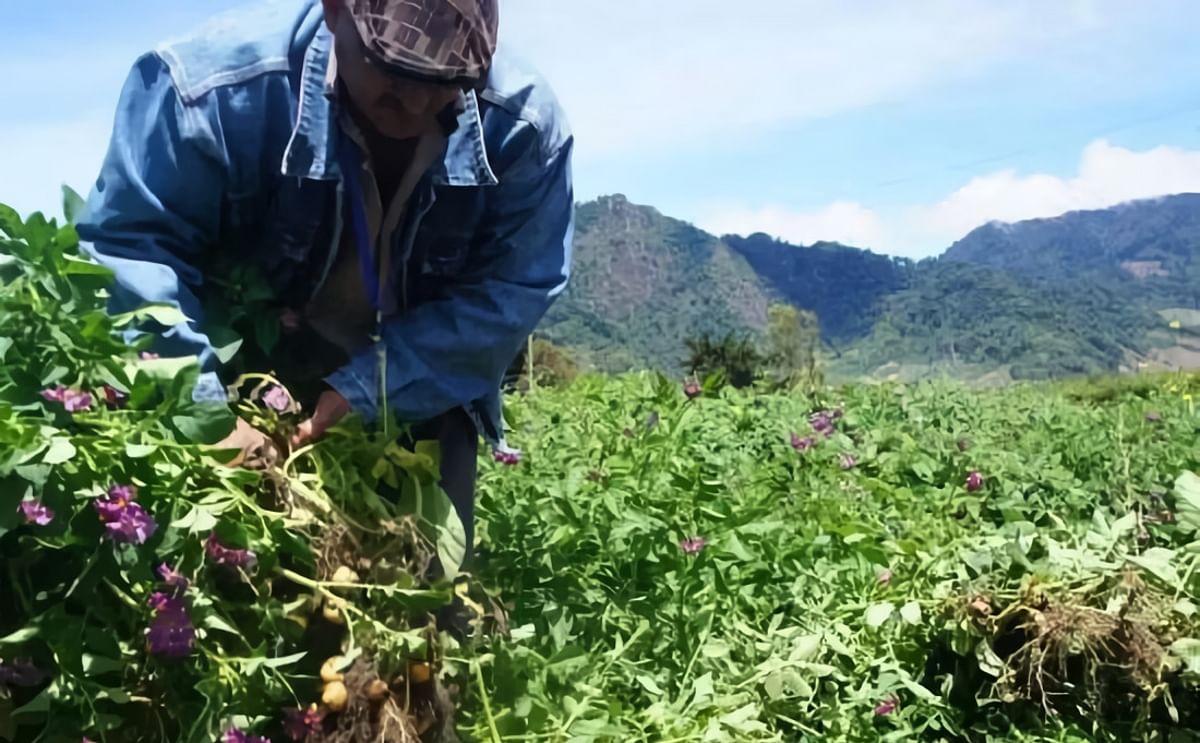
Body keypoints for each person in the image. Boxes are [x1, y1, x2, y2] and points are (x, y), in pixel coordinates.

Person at [75, 0, 575, 572]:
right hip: (249, 377)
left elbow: (512, 290)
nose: (413, 102)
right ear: (336, 11)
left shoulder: (524, 127)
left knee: (429, 593)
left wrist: (367, 390)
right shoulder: (209, 92)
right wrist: (206, 414)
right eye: (394, 70)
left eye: (445, 82)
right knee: (244, 586)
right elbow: (131, 248)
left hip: (429, 379)